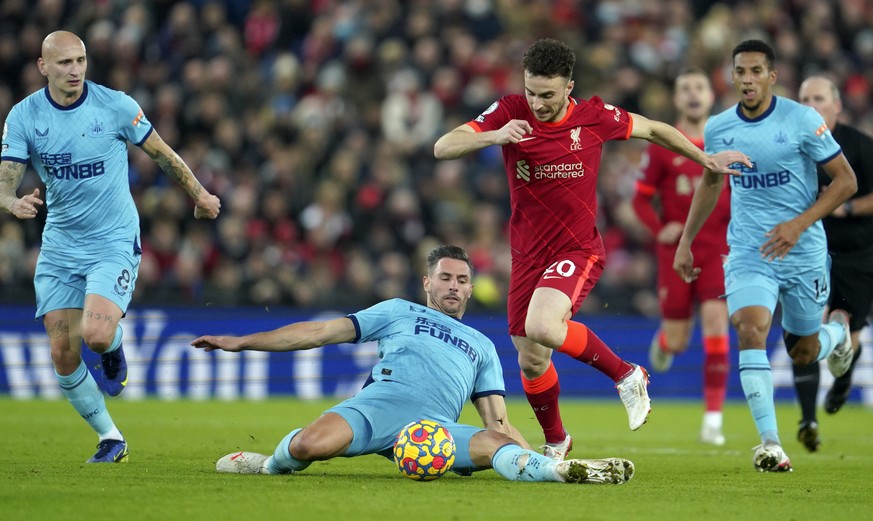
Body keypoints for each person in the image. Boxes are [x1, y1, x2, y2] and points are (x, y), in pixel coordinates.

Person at [433, 37, 750, 460]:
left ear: (569, 87)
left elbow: (654, 129)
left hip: (577, 248)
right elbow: (443, 146)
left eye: (547, 95)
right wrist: (494, 136)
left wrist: (704, 158)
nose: (537, 103)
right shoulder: (509, 111)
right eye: (531, 92)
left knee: (544, 326)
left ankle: (627, 373)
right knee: (531, 358)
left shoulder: (595, 117)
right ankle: (558, 441)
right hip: (528, 254)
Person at [191, 245, 635, 485]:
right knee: (308, 447)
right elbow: (319, 332)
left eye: (462, 280)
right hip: (376, 407)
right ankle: (269, 464)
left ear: (470, 288)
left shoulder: (481, 344)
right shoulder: (398, 311)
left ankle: (557, 472)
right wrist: (242, 342)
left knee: (492, 444)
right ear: (427, 281)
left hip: (433, 431)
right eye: (445, 277)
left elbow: (497, 420)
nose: (454, 287)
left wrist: (525, 448)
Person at [0, 31, 221, 463]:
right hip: (61, 245)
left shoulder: (115, 105)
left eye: (81, 60)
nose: (75, 70)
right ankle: (110, 438)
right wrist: (11, 202)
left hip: (112, 240)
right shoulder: (24, 116)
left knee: (96, 336)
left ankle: (114, 343)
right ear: (43, 67)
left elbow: (162, 154)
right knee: (63, 352)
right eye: (64, 63)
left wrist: (199, 195)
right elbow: (6, 179)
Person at [673, 40, 857, 473]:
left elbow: (845, 181)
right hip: (749, 252)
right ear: (732, 76)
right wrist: (687, 240)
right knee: (750, 327)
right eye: (741, 71)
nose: (748, 79)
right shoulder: (718, 128)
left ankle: (838, 334)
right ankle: (771, 443)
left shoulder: (802, 120)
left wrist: (798, 224)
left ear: (771, 76)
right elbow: (712, 183)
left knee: (804, 353)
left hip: (803, 252)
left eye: (757, 71)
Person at [631, 70, 730, 446]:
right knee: (678, 339)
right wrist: (659, 228)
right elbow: (639, 198)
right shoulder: (662, 145)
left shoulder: (725, 142)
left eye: (699, 87)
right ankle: (665, 342)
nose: (692, 94)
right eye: (685, 88)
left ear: (710, 95)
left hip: (719, 248)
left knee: (716, 325)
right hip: (675, 252)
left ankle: (713, 420)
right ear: (676, 99)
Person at [791, 75, 873, 452]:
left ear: (836, 105)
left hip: (855, 253)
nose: (811, 104)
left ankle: (842, 380)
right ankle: (807, 418)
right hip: (807, 252)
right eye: (805, 97)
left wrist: (848, 206)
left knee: (849, 337)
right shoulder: (792, 145)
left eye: (819, 98)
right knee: (802, 330)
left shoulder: (860, 145)